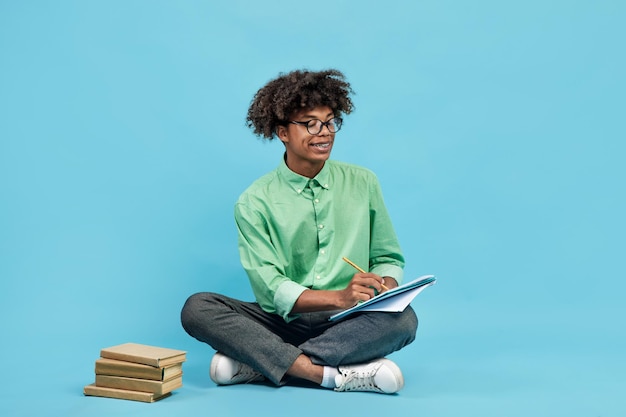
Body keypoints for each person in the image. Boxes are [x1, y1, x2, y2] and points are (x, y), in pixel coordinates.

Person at [181, 69, 418, 394]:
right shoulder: (255, 200)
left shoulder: (363, 183)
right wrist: (338, 296)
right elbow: (270, 289)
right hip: (281, 322)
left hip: (348, 323)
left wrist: (384, 288)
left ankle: (260, 363)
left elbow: (387, 256)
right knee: (198, 308)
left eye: (330, 121)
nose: (324, 132)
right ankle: (328, 374)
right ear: (282, 132)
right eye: (310, 123)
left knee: (404, 320)